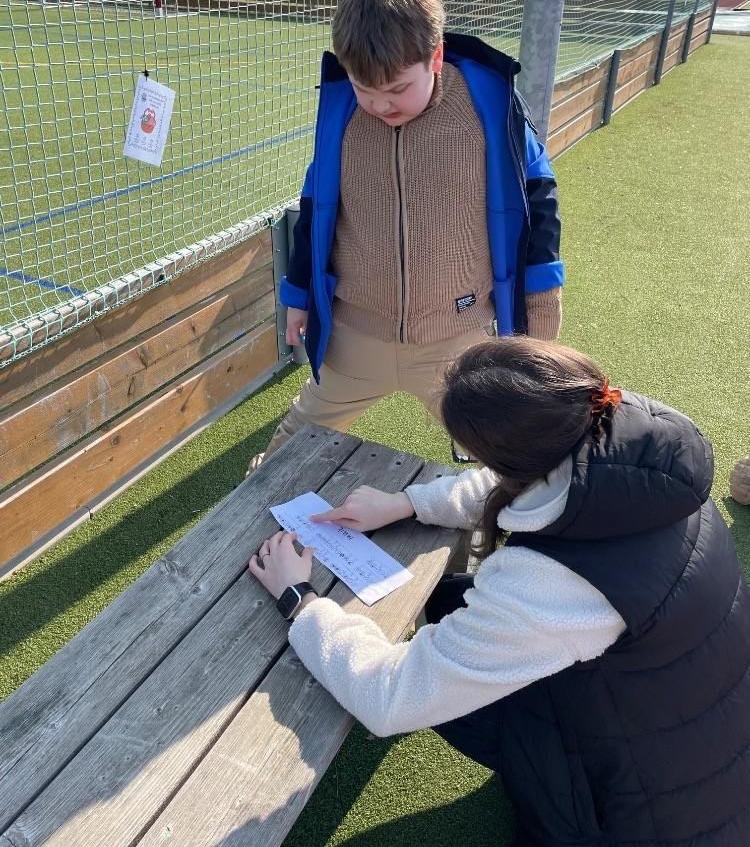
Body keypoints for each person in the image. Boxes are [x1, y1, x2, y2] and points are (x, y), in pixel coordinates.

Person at [248, 337, 750, 846]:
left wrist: (300, 599)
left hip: (645, 820)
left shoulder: (556, 584)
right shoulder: (635, 462)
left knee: (450, 666)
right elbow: (514, 484)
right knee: (449, 600)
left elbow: (391, 699)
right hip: (690, 734)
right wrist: (405, 503)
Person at [248, 0, 564, 472]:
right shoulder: (344, 116)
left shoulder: (487, 109)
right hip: (357, 334)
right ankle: (255, 506)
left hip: (455, 336)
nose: (380, 105)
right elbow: (316, 207)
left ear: (434, 56)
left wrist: (542, 299)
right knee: (290, 448)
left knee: (507, 456)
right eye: (364, 89)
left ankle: (516, 518)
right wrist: (300, 294)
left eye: (396, 89)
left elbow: (538, 203)